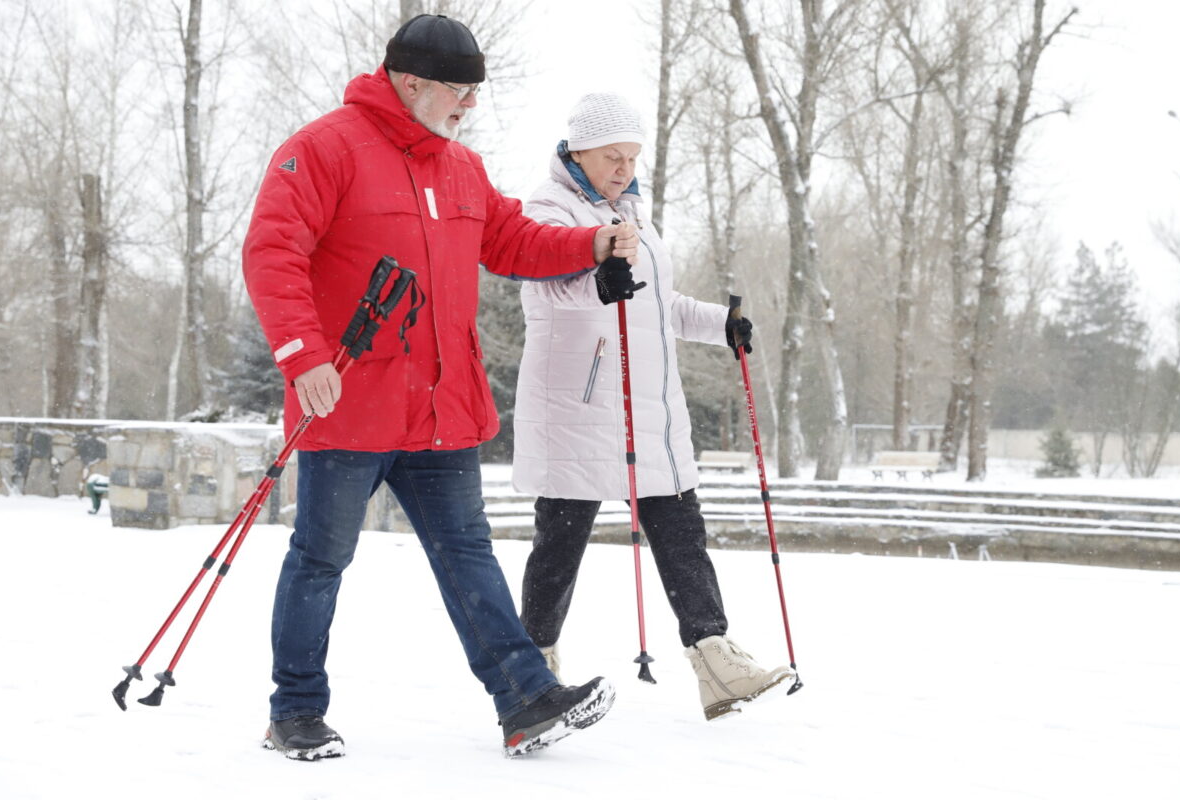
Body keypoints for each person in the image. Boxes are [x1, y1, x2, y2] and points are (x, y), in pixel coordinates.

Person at [242, 16, 643, 760]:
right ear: (410, 80)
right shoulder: (323, 149)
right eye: (459, 91)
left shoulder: (460, 168)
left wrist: (587, 244)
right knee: (321, 558)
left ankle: (524, 698)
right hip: (348, 399)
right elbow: (272, 251)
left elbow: (513, 241)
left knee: (468, 553)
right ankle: (294, 711)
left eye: (474, 93)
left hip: (440, 405)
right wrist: (304, 355)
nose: (469, 105)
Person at [511, 93, 795, 722]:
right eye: (613, 156)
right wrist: (595, 275)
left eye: (632, 156)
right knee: (560, 544)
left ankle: (716, 660)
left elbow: (655, 306)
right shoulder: (547, 208)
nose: (623, 167)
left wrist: (721, 323)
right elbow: (553, 287)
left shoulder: (633, 210)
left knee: (681, 531)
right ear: (577, 151)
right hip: (579, 406)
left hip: (651, 410)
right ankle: (533, 671)